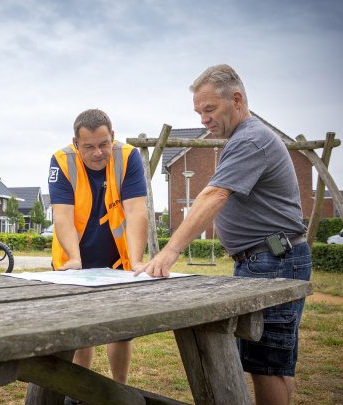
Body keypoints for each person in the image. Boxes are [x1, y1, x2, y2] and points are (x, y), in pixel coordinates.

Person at [135, 64, 311, 405]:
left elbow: (214, 195)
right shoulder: (243, 139)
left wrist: (168, 253)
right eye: (199, 112)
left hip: (272, 262)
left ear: (237, 99)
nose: (204, 119)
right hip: (268, 258)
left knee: (268, 366)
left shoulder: (251, 139)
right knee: (277, 364)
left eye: (209, 109)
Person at [48, 108, 148, 386]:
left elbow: (136, 210)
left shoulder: (128, 157)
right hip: (74, 257)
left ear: (112, 137)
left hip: (118, 258)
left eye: (104, 144)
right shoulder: (61, 160)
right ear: (76, 143)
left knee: (121, 330)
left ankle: (120, 388)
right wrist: (75, 259)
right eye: (89, 146)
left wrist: (137, 261)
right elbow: (63, 215)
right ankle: (82, 390)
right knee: (80, 330)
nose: (97, 153)